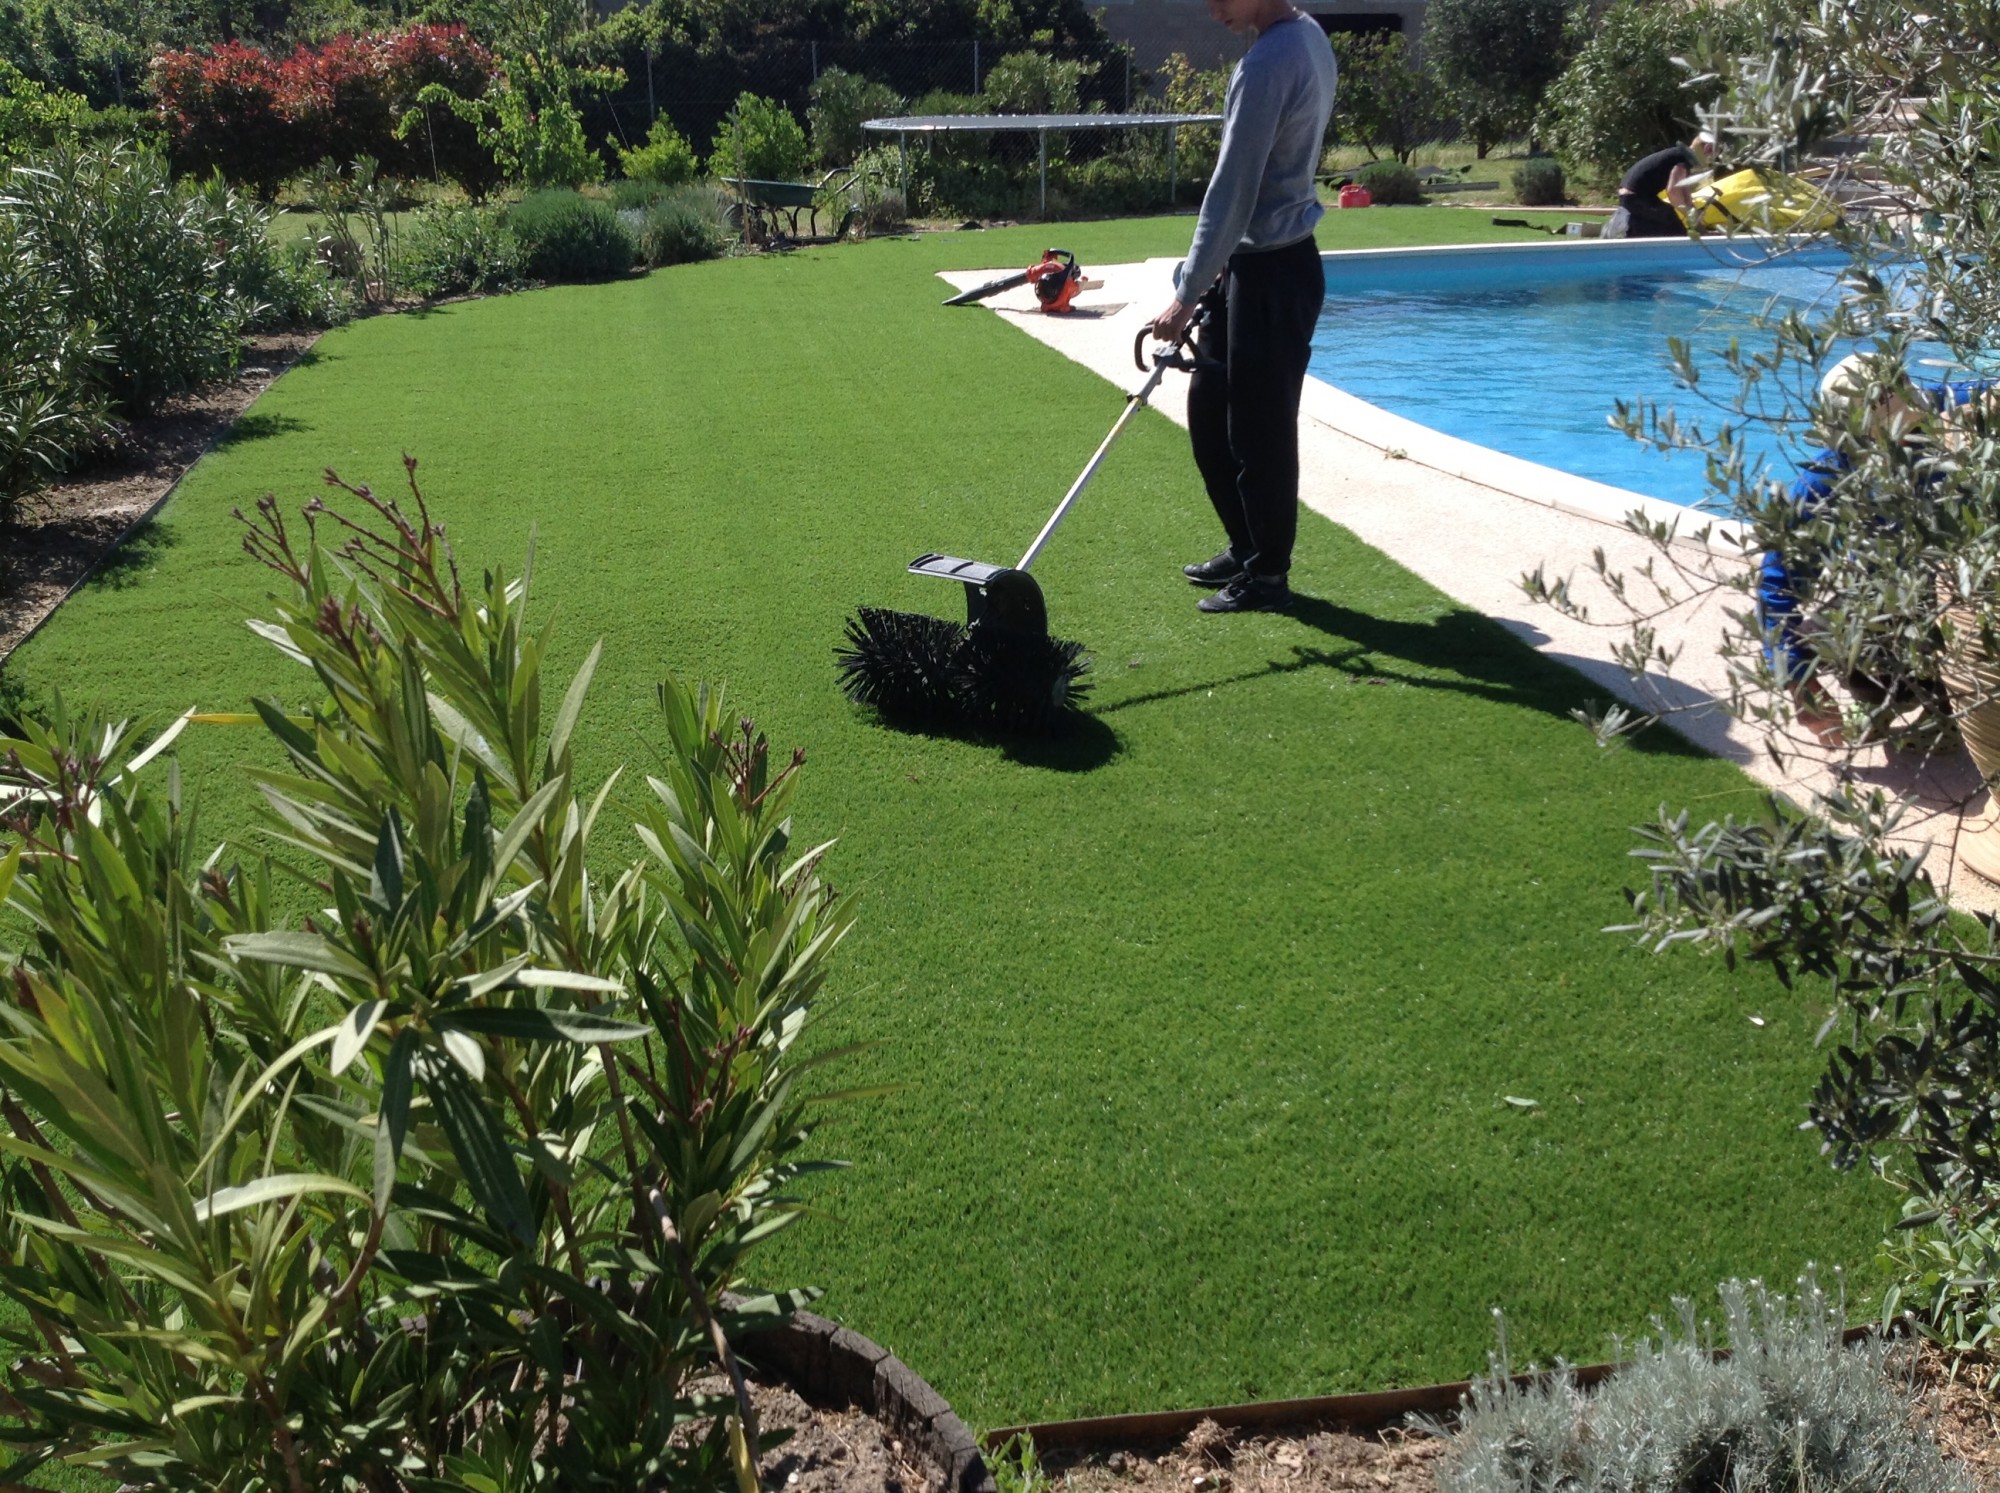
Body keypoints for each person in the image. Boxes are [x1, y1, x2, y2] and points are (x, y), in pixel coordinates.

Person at [1146, 0, 1338, 614]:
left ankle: (1268, 575)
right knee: (1210, 415)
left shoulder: (1273, 58)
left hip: (1274, 271)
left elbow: (1234, 186)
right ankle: (1247, 545)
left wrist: (1186, 292)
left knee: (1261, 434)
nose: (1211, 11)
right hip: (1253, 264)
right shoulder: (1301, 35)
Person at [1603, 134, 1714, 239]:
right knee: (1674, 229)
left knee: (1665, 225)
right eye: (1713, 158)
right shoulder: (1682, 161)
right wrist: (1688, 213)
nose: (1710, 163)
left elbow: (1685, 195)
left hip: (1636, 197)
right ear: (1707, 149)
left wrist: (1700, 227)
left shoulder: (1682, 157)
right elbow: (1673, 192)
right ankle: (1625, 222)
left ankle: (1631, 227)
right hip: (1635, 198)